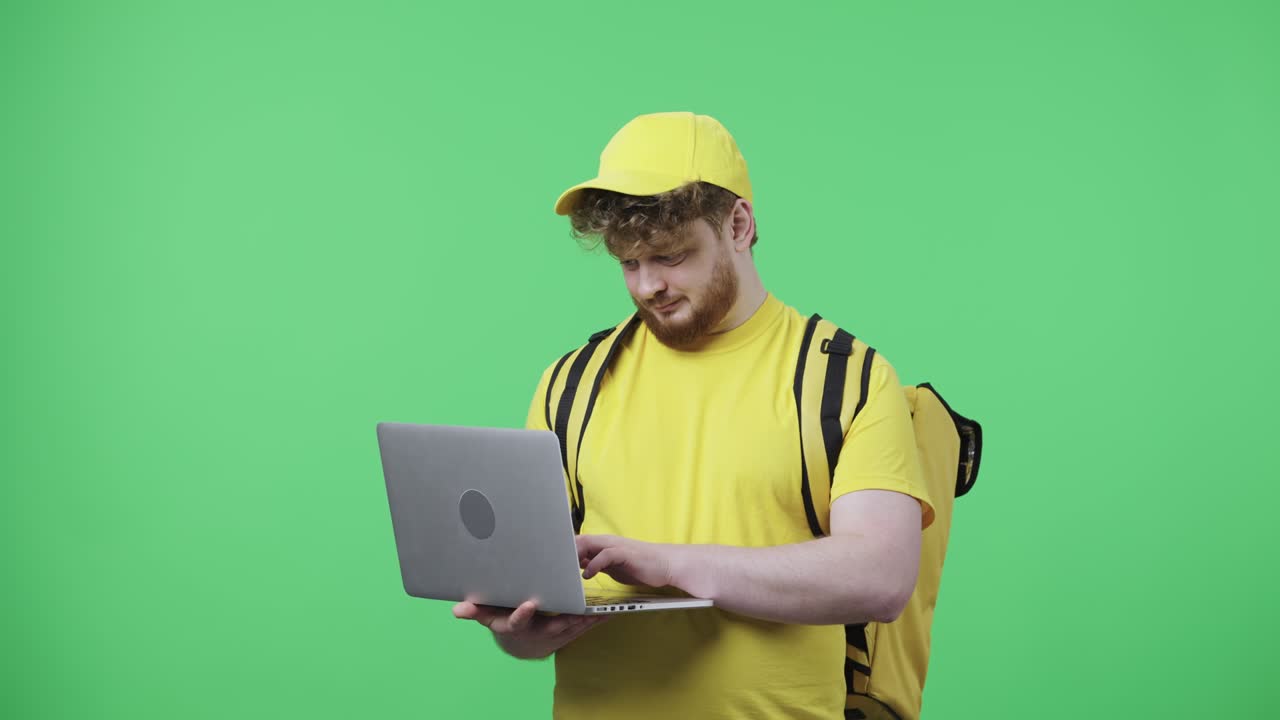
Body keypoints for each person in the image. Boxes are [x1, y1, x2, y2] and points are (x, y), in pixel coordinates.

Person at [453, 111, 933, 720]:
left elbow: (881, 576)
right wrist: (518, 631)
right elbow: (531, 598)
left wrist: (672, 563)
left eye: (671, 256)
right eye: (628, 263)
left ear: (738, 224)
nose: (648, 285)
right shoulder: (569, 383)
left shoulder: (847, 377)